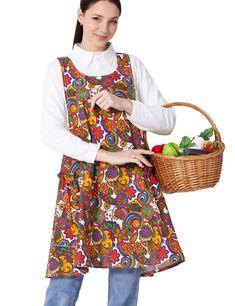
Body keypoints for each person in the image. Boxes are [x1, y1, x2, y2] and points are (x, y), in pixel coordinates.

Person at [41, 0, 185, 305]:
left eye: (113, 21)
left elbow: (167, 121)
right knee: (65, 276)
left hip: (130, 186)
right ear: (80, 16)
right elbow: (51, 132)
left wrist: (125, 104)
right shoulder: (60, 68)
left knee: (124, 284)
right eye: (96, 18)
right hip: (81, 182)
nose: (103, 29)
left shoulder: (131, 65)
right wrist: (108, 155)